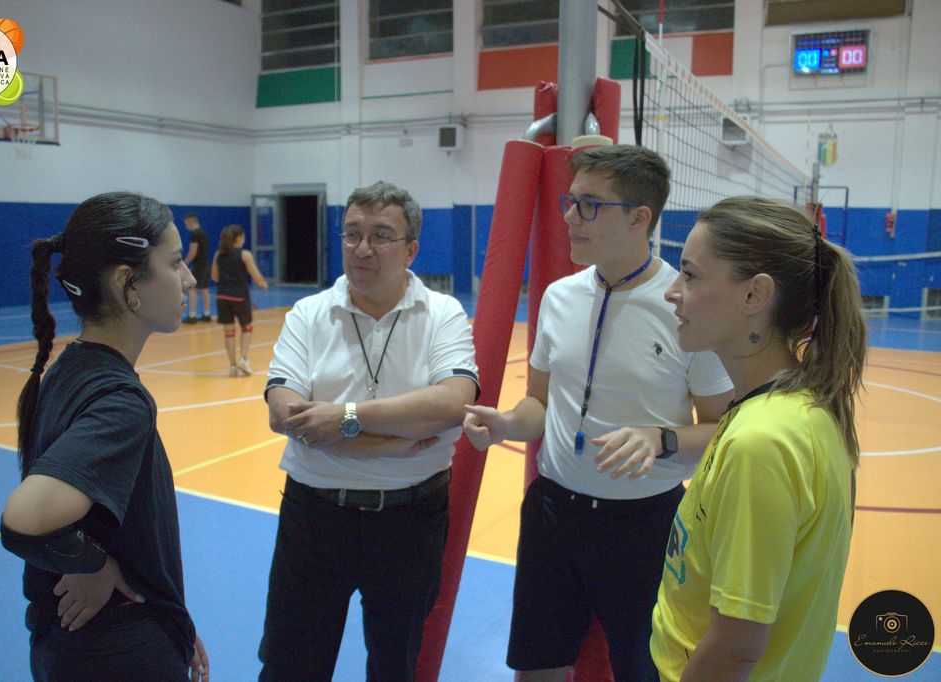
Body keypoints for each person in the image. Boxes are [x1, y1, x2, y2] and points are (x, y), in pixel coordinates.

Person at [463, 143, 733, 681]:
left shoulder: (685, 308)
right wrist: (507, 423)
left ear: (639, 218)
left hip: (645, 527)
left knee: (646, 670)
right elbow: (540, 404)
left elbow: (726, 430)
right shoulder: (558, 297)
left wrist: (661, 439)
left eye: (589, 205)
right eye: (570, 201)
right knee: (537, 669)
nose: (569, 217)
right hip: (553, 514)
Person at [259, 180, 479, 681]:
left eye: (381, 235)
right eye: (352, 234)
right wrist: (394, 441)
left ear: (411, 250)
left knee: (395, 665)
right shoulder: (308, 313)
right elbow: (284, 412)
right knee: (290, 665)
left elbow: (452, 403)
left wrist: (342, 420)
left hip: (410, 522)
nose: (362, 248)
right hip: (313, 520)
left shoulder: (442, 313)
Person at [651, 196, 866, 681]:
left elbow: (735, 648)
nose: (672, 291)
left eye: (690, 275)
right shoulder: (797, 405)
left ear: (753, 296)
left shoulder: (761, 443)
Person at [0, 192, 209, 681]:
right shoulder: (120, 401)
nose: (189, 279)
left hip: (73, 644)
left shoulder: (70, 368)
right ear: (127, 283)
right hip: (114, 652)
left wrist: (167, 614)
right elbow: (25, 518)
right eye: (174, 263)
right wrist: (93, 566)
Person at [211, 224, 268, 377]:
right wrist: (263, 283)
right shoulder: (245, 255)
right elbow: (256, 276)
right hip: (239, 296)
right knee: (247, 327)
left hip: (222, 296)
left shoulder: (218, 254)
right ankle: (243, 358)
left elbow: (214, 277)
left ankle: (232, 366)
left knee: (229, 332)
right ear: (240, 238)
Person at [183, 212, 212, 323]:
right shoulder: (204, 233)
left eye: (186, 223)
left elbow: (193, 251)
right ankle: (207, 314)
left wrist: (185, 262)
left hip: (198, 265)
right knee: (204, 289)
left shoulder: (194, 234)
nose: (186, 226)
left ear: (191, 221)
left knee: (192, 289)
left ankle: (192, 315)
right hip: (206, 263)